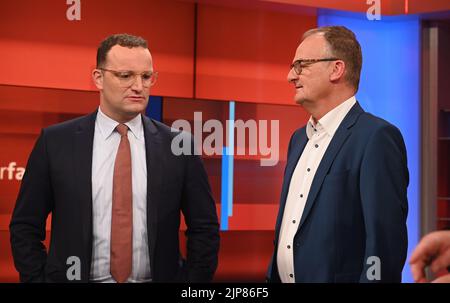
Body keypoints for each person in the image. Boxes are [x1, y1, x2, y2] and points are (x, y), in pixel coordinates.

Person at [9, 33, 220, 283]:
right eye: (125, 76)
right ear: (98, 78)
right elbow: (25, 226)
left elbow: (204, 228)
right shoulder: (55, 142)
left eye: (146, 76)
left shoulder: (179, 145)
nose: (139, 86)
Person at [266, 26, 409, 283]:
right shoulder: (298, 139)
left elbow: (384, 247)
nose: (290, 76)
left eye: (301, 65)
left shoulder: (376, 138)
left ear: (337, 69)